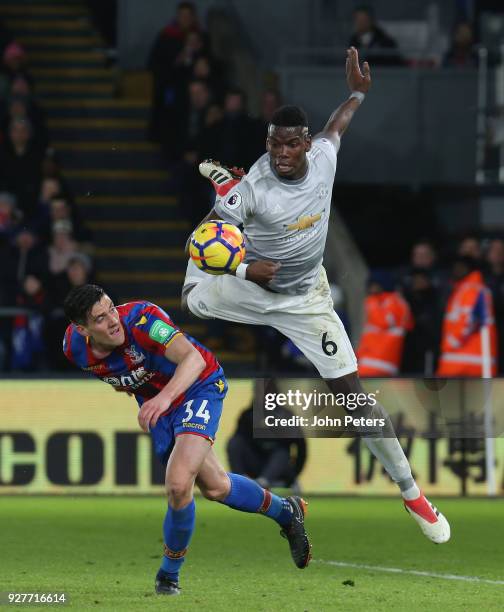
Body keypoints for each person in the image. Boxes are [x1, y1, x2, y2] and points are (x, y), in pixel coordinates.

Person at [181, 47, 450, 544]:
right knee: (192, 295)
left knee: (352, 397)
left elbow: (337, 124)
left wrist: (355, 93)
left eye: (289, 145)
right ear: (267, 142)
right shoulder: (257, 187)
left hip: (307, 297)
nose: (281, 154)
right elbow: (197, 243)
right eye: (274, 145)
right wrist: (242, 264)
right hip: (253, 284)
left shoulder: (323, 155)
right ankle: (224, 193)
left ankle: (412, 493)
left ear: (304, 143)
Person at [62, 285, 311, 596]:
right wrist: (151, 398)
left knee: (178, 485)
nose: (113, 320)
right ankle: (286, 511)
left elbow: (192, 360)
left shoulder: (144, 320)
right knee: (216, 487)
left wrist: (163, 398)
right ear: (82, 329)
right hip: (161, 406)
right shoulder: (74, 349)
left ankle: (168, 575)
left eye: (112, 307)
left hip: (198, 385)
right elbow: (125, 373)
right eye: (100, 318)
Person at [437, 257, 497, 377]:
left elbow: (469, 320)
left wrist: (449, 344)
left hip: (465, 362)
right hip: (467, 361)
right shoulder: (466, 289)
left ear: (467, 269)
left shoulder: (471, 289)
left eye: (459, 267)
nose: (455, 270)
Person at [357, 271, 414, 377]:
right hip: (367, 361)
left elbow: (385, 322)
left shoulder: (394, 302)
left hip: (383, 363)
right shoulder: (376, 302)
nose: (371, 289)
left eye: (374, 284)